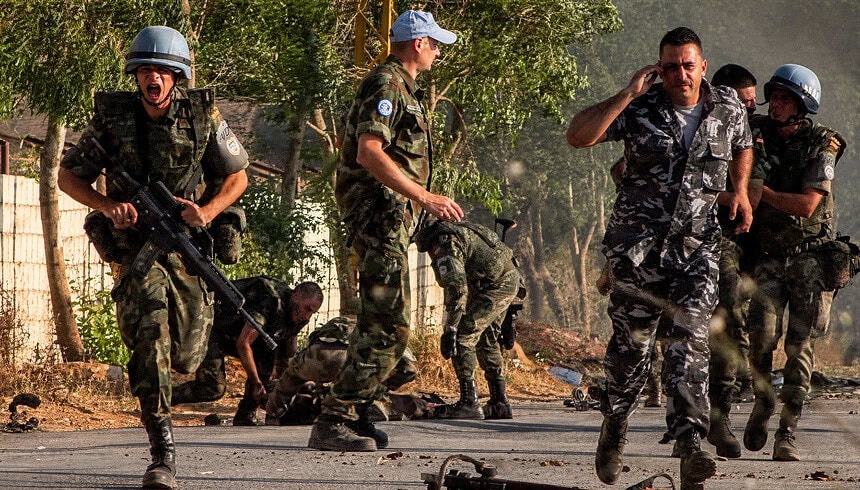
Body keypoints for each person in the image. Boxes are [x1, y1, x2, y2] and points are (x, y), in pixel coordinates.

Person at [58, 26, 250, 489]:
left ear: (177, 76)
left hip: (183, 243)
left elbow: (237, 177)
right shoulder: (111, 119)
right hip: (135, 249)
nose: (153, 78)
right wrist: (108, 206)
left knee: (185, 355)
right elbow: (68, 177)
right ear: (135, 75)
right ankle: (162, 452)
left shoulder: (203, 116)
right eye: (145, 69)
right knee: (150, 334)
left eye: (163, 70)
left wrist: (205, 212)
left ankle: (167, 390)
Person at [566, 27, 753, 488]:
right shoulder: (640, 108)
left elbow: (743, 144)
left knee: (689, 337)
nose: (680, 74)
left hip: (698, 247)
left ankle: (689, 446)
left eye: (688, 65)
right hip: (638, 252)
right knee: (633, 352)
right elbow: (579, 136)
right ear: (659, 68)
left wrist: (741, 192)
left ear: (703, 67)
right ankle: (615, 424)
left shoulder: (726, 106)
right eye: (670, 66)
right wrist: (627, 94)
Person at [308, 9, 463, 452]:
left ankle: (357, 412)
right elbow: (369, 151)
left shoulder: (402, 88)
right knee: (388, 329)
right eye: (434, 43)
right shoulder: (388, 85)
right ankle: (333, 418)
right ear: (418, 43)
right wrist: (424, 196)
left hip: (389, 224)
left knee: (383, 326)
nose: (437, 51)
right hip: (380, 221)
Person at [743, 64, 846, 462]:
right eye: (775, 96)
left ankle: (788, 430)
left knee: (800, 346)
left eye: (786, 98)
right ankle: (762, 402)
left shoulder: (824, 143)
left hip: (809, 261)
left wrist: (761, 191)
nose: (777, 104)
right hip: (768, 257)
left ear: (804, 104)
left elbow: (807, 205)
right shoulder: (756, 133)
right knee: (761, 338)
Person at [704, 63, 763, 458]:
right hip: (693, 240)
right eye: (744, 102)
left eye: (753, 103)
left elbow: (753, 194)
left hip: (736, 243)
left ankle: (717, 416)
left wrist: (728, 196)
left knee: (729, 322)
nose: (751, 108)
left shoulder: (753, 138)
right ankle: (690, 427)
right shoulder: (696, 126)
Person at [171, 278, 323, 426]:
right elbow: (243, 343)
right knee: (212, 388)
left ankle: (246, 413)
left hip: (240, 337)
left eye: (312, 312)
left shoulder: (298, 316)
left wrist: (284, 386)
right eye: (307, 309)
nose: (307, 316)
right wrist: (256, 382)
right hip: (214, 331)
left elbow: (287, 353)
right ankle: (160, 399)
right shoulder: (271, 300)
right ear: (296, 296)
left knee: (266, 360)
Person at [412, 219, 524, 420]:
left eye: (429, 250)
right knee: (487, 341)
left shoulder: (447, 245)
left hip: (495, 287)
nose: (431, 254)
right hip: (506, 280)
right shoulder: (461, 229)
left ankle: (469, 402)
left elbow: (457, 291)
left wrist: (451, 328)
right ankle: (500, 403)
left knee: (463, 338)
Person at [265, 316, 418, 443]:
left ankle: (276, 412)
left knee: (293, 375)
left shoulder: (338, 327)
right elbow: (408, 368)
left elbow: (290, 377)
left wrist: (274, 409)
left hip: (319, 356)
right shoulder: (379, 330)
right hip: (357, 362)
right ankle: (358, 417)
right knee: (372, 376)